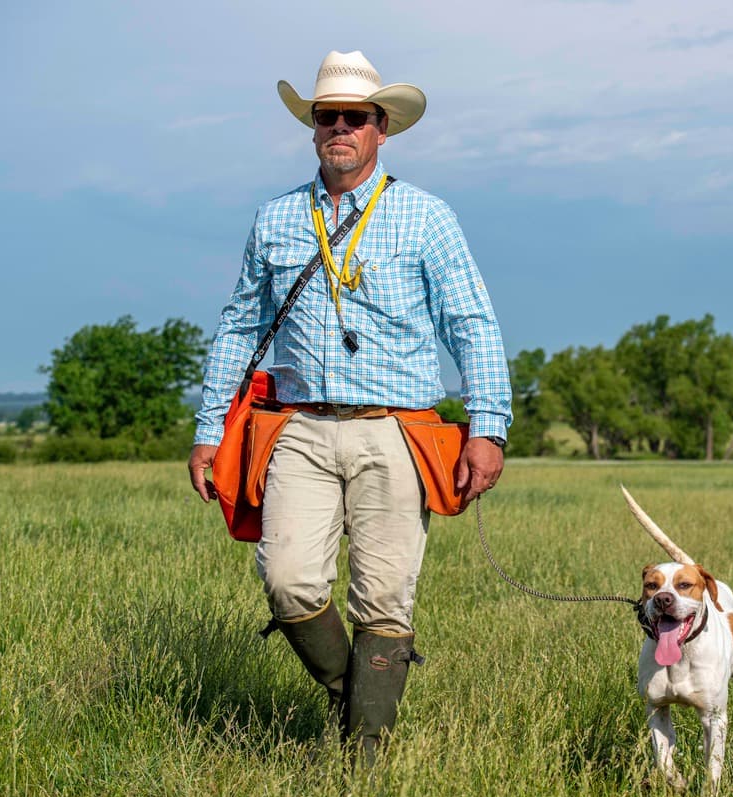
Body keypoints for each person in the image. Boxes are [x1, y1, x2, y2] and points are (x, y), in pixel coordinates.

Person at [188, 50, 512, 760]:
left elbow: (473, 324)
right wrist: (208, 428)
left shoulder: (427, 216)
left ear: (381, 129)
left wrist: (488, 425)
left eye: (354, 117)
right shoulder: (275, 218)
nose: (339, 127)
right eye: (326, 116)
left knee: (385, 596)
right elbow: (240, 326)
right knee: (288, 579)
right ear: (311, 129)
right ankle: (356, 701)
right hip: (299, 426)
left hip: (395, 429)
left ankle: (362, 763)